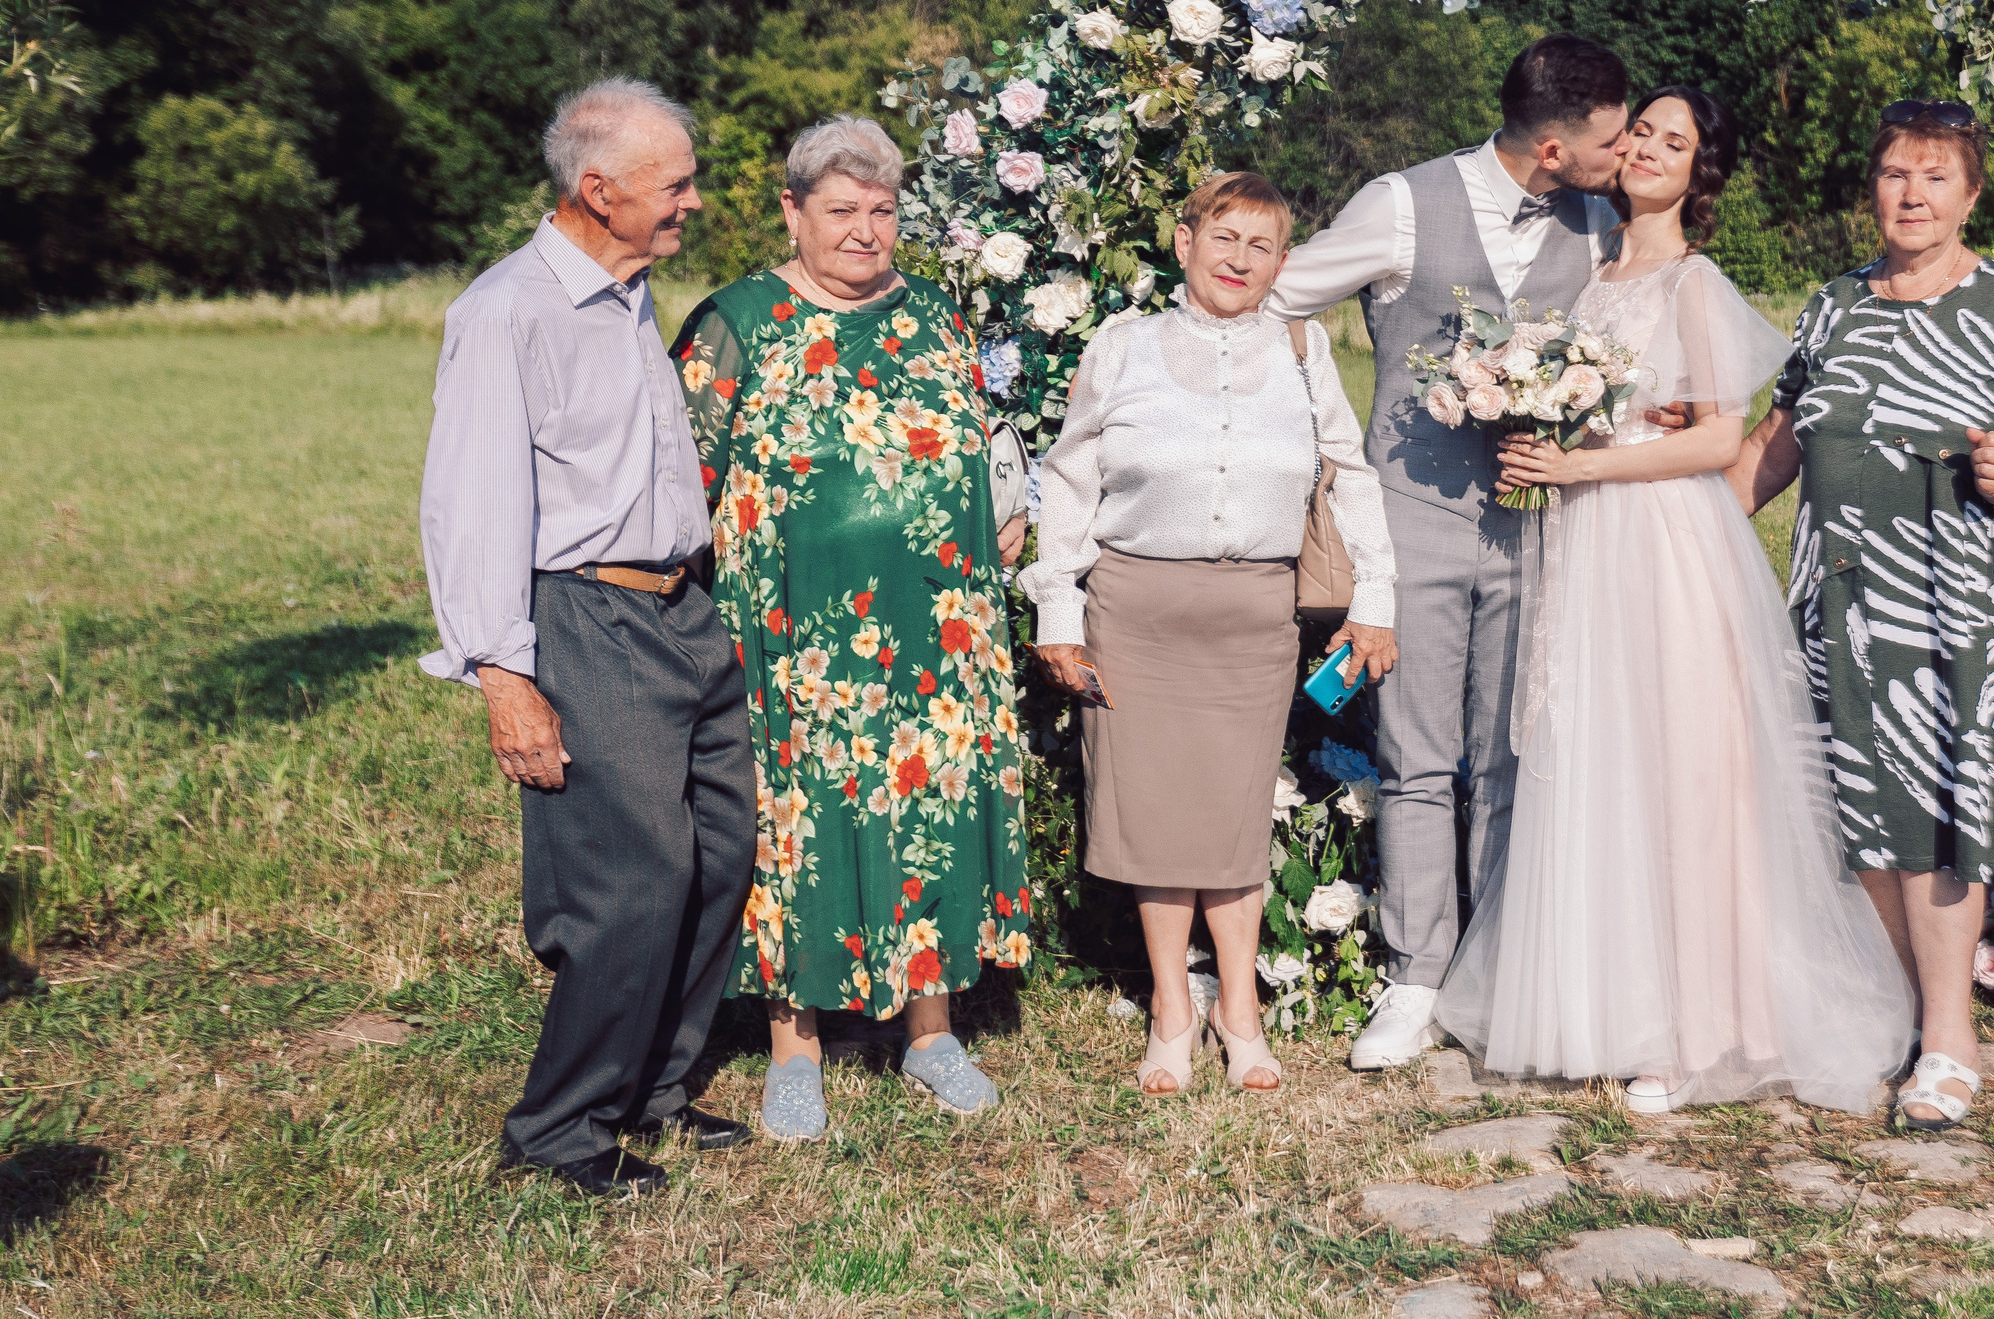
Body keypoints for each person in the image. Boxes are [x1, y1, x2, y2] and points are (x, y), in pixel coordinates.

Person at [1436, 86, 1913, 1111]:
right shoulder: (1587, 270)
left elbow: (1711, 440)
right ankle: (1605, 1005)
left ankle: (1698, 1031)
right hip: (1579, 545)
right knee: (1600, 759)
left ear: (1702, 174)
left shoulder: (1693, 284)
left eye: (1674, 141)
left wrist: (1584, 469)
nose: (1649, 148)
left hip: (1659, 541)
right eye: (1640, 132)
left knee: (1686, 771)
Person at [1268, 34, 1632, 1072]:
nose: (1622, 154)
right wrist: (1334, 445)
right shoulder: (1398, 204)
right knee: (1418, 758)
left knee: (1514, 754)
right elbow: (1278, 303)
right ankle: (1417, 973)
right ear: (1554, 147)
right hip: (1408, 523)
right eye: (1609, 139)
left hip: (1539, 527)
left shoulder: (1598, 222)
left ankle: (1504, 969)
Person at [419, 78, 757, 1199]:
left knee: (718, 854)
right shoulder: (507, 312)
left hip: (680, 608)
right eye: (677, 183)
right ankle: (559, 1126)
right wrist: (503, 677)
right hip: (585, 612)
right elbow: (471, 506)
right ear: (596, 189)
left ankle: (652, 1088)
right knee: (634, 877)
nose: (694, 202)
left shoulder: (628, 292)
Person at [672, 115, 1033, 1131]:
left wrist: (1004, 508)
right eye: (841, 211)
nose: (865, 231)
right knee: (805, 826)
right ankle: (797, 1047)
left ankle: (931, 1033)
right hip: (797, 645)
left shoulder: (935, 318)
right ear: (792, 212)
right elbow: (675, 487)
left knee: (928, 812)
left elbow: (983, 443)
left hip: (938, 634)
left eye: (882, 211)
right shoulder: (736, 324)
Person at [1728, 100, 1994, 1129]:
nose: (1912, 194)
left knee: (1937, 813)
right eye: (1894, 174)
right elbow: (1775, 447)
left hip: (1953, 602)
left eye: (1935, 176)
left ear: (1970, 196)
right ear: (1871, 189)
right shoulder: (1834, 306)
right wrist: (1671, 535)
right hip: (1838, 599)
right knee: (1859, 809)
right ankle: (1904, 1005)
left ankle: (1949, 1039)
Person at [1022, 171, 1398, 1095]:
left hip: (1254, 620)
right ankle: (1170, 1009)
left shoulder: (1306, 353)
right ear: (1185, 242)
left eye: (1261, 245)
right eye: (1222, 237)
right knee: (1154, 812)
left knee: (1232, 814)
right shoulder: (1122, 348)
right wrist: (1058, 615)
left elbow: (1352, 476)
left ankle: (1242, 1011)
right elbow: (1069, 484)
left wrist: (1376, 598)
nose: (1239, 259)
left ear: (1280, 264)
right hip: (1134, 614)